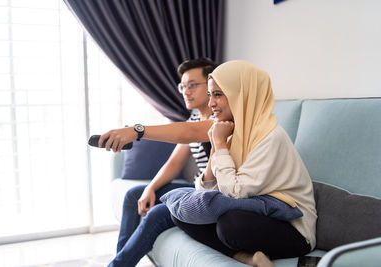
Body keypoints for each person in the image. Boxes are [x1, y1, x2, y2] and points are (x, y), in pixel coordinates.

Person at [170, 60, 317, 267]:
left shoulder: (270, 136)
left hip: (292, 228)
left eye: (218, 95)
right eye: (211, 95)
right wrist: (216, 146)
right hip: (253, 212)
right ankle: (245, 256)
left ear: (241, 95)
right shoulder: (232, 131)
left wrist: (219, 144)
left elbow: (235, 192)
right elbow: (205, 190)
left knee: (231, 224)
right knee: (182, 212)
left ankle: (241, 253)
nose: (211, 103)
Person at [105, 58, 217, 267]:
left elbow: (188, 133)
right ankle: (122, 260)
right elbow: (174, 163)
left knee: (157, 213)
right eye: (183, 86)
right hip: (197, 186)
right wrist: (151, 188)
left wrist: (137, 131)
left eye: (193, 85)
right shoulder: (194, 118)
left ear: (212, 85)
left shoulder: (218, 119)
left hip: (212, 193)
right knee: (134, 195)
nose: (186, 91)